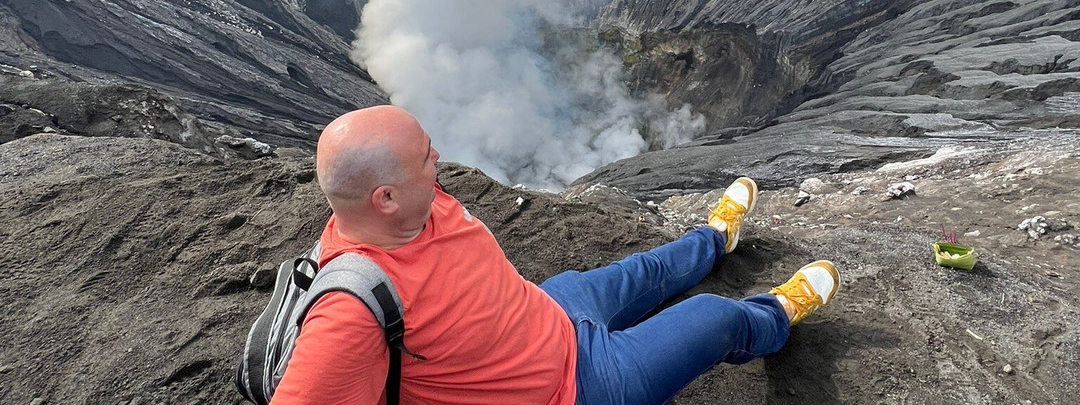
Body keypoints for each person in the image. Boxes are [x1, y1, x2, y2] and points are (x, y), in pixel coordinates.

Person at [270, 106, 840, 405]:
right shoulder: (351, 311)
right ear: (385, 198)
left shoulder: (416, 204)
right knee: (712, 318)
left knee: (645, 270)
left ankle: (716, 239)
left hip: (551, 310)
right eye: (425, 156)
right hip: (572, 388)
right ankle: (775, 315)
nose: (438, 157)